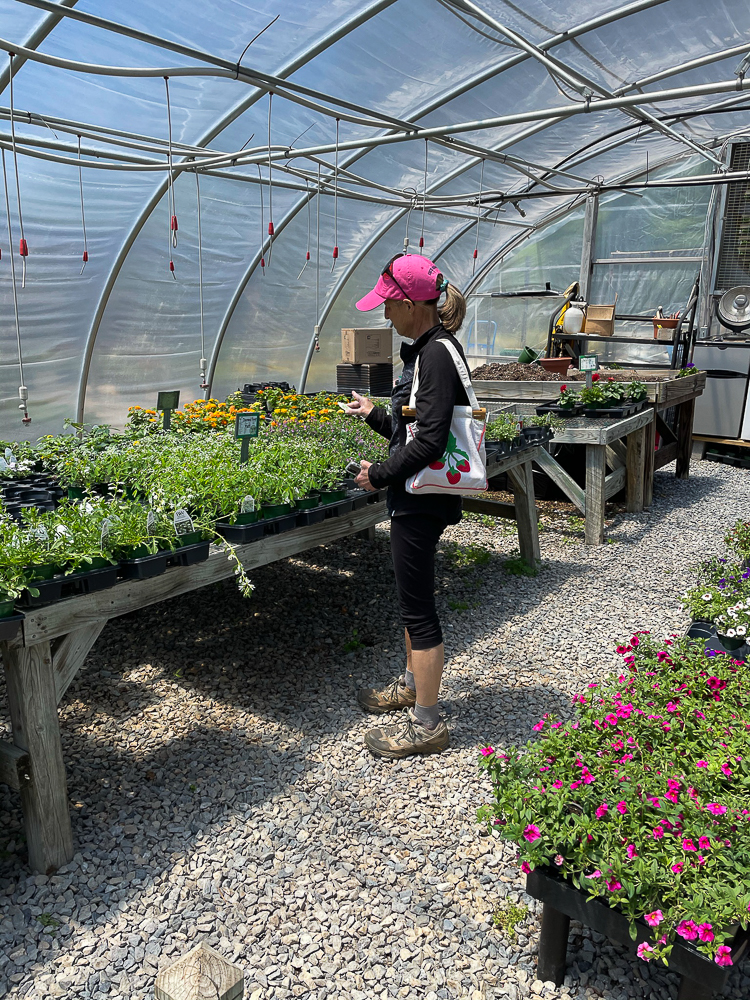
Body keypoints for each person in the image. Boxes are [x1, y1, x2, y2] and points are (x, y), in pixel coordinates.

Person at [344, 253, 472, 760]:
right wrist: (375, 413)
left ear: (410, 303)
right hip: (417, 496)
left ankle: (427, 722)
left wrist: (376, 475)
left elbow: (432, 443)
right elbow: (413, 430)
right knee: (409, 599)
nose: (384, 315)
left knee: (418, 610)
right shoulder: (425, 349)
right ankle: (409, 685)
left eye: (388, 305)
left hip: (420, 501)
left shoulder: (436, 355)